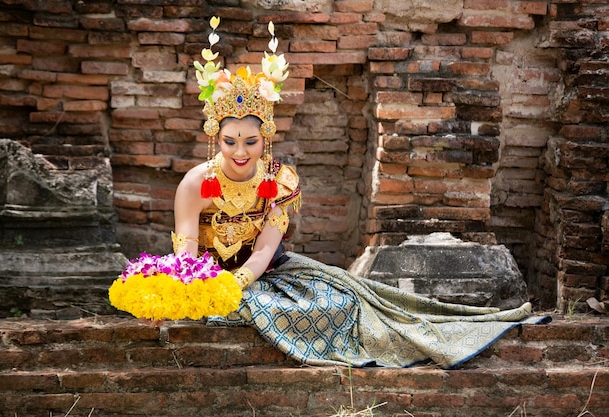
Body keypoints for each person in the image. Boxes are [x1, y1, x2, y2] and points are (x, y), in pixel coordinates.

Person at [171, 17, 550, 369]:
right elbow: (185, 256)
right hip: (206, 278)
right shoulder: (194, 184)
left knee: (346, 302)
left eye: (250, 142)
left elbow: (266, 250)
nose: (240, 152)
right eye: (230, 142)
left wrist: (235, 284)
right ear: (215, 138)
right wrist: (200, 289)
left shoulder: (278, 180)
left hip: (263, 274)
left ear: (265, 138)